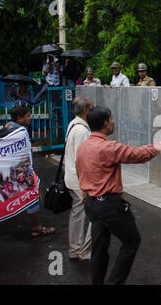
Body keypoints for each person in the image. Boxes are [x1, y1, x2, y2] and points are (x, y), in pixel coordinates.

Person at [76, 106, 161, 285]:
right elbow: (137, 155)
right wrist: (158, 146)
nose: (113, 122)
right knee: (132, 241)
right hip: (109, 205)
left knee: (99, 248)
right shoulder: (107, 147)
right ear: (105, 124)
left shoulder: (84, 146)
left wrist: (85, 192)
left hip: (92, 204)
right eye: (112, 119)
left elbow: (81, 171)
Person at [9, 104, 56, 237]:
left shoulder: (14, 129)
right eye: (28, 116)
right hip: (21, 171)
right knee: (32, 197)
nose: (31, 118)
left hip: (19, 170)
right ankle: (36, 227)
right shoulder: (18, 132)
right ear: (19, 118)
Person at [64, 97, 94, 261]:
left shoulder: (73, 124)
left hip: (72, 178)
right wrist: (85, 186)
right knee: (94, 216)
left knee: (78, 214)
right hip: (79, 181)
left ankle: (75, 250)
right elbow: (81, 159)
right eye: (92, 108)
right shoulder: (82, 131)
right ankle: (84, 251)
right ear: (85, 111)